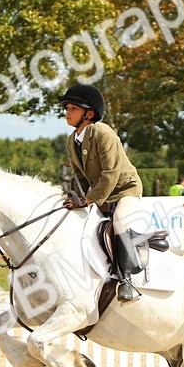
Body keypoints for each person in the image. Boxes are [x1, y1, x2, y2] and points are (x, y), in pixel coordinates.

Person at [59, 84, 145, 303]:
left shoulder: (103, 132)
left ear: (89, 113)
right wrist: (74, 197)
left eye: (73, 108)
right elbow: (79, 176)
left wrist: (87, 199)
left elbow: (110, 174)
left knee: (119, 221)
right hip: (101, 195)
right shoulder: (72, 140)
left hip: (124, 190)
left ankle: (127, 282)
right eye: (67, 108)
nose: (67, 112)